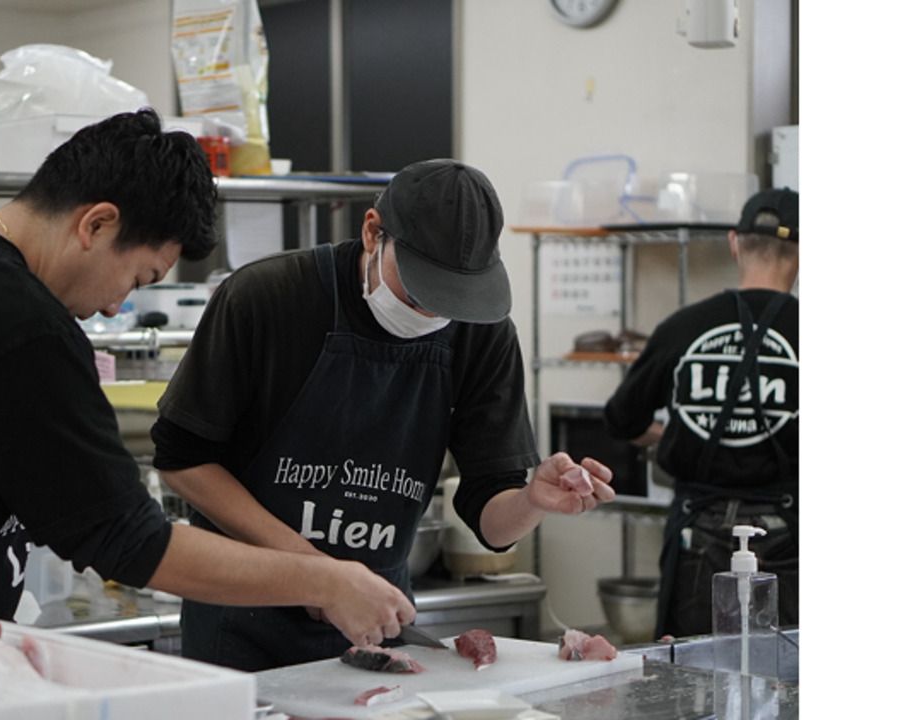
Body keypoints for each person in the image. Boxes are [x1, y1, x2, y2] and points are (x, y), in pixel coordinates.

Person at [0, 108, 416, 650]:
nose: (117, 307)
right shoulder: (21, 325)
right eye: (138, 278)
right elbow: (130, 542)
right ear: (96, 224)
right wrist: (325, 581)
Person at [150, 159, 617, 672]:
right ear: (373, 233)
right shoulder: (268, 297)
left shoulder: (483, 332)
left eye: (454, 300)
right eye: (420, 291)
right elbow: (182, 459)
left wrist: (531, 500)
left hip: (380, 621)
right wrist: (316, 574)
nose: (433, 314)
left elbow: (492, 520)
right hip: (242, 620)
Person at [603, 188, 799, 639]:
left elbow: (622, 419)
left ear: (734, 243)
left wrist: (683, 433)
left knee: (693, 671)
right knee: (792, 672)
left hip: (698, 533)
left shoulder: (684, 327)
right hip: (792, 535)